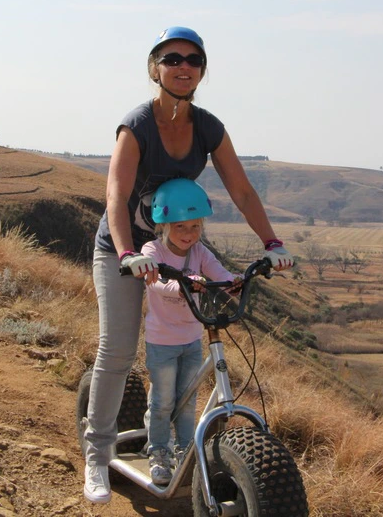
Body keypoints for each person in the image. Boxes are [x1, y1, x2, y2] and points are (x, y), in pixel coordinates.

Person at [83, 26, 293, 504]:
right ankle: (97, 454)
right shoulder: (136, 125)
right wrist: (125, 253)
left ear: (201, 71)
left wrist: (272, 242)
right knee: (116, 352)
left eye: (193, 60)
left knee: (196, 325)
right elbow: (116, 195)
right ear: (155, 68)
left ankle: (173, 439)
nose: (183, 67)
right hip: (124, 248)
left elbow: (241, 190)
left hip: (178, 246)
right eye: (172, 58)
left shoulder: (207, 127)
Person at [141, 178, 241, 485]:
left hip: (190, 339)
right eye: (181, 227)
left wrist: (232, 282)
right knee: (163, 401)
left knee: (187, 401)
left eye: (195, 227)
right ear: (165, 225)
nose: (189, 234)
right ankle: (158, 451)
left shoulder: (199, 252)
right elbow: (155, 282)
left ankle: (185, 449)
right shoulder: (152, 249)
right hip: (162, 341)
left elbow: (218, 273)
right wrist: (183, 285)